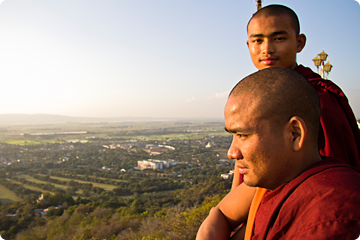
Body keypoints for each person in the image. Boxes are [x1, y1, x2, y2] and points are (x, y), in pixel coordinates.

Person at [196, 67, 360, 239]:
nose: (232, 153)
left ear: (294, 134)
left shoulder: (331, 218)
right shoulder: (274, 179)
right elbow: (220, 214)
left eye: (243, 135)